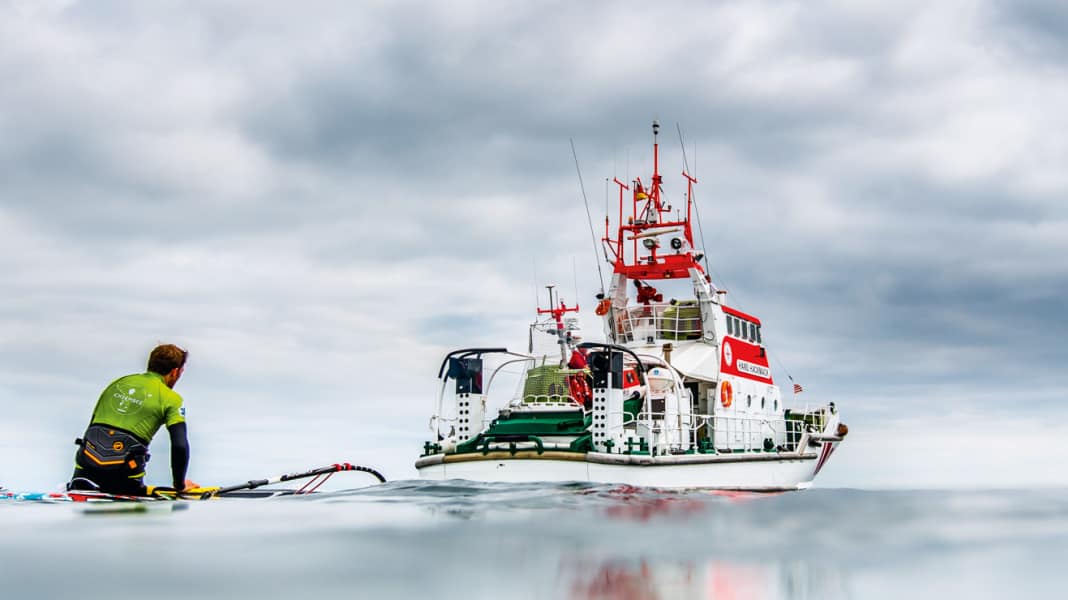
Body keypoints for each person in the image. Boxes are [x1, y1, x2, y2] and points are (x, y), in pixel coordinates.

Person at [68, 344, 197, 496]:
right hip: (123, 480)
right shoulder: (172, 399)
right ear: (175, 372)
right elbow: (180, 445)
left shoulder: (119, 383)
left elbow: (92, 426)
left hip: (84, 471)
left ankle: (77, 484)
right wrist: (179, 485)